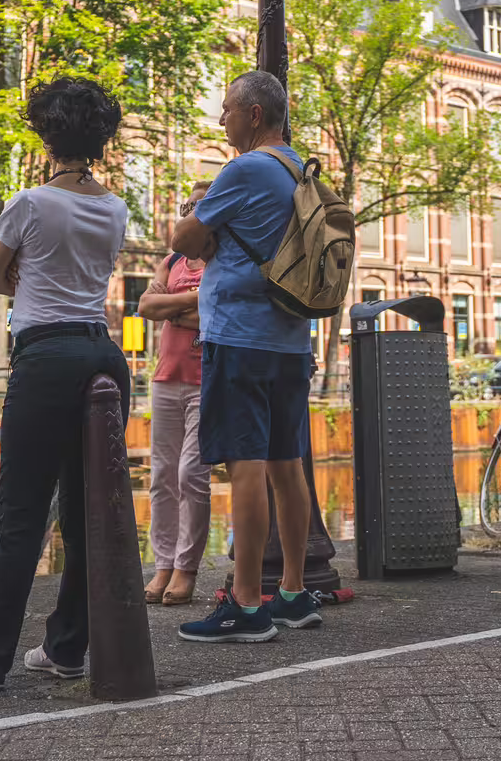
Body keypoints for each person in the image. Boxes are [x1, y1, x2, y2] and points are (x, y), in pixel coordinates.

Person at [0, 77, 132, 690]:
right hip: (102, 351)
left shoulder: (31, 203)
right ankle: (66, 648)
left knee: (21, 515)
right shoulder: (115, 207)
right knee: (90, 510)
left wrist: (24, 276)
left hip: (46, 357)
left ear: (45, 135)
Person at [172, 70, 321, 643]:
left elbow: (184, 240)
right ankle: (291, 592)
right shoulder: (296, 168)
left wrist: (202, 222)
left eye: (228, 110)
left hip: (239, 338)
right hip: (289, 342)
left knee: (246, 467)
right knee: (288, 466)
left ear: (254, 115)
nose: (221, 120)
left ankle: (245, 603)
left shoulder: (245, 168)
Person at [136, 180, 213, 606]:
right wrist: (192, 307)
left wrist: (177, 308)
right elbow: (147, 308)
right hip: (166, 378)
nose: (193, 212)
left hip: (206, 380)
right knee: (162, 477)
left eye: (202, 205)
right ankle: (162, 564)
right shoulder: (172, 260)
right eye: (189, 205)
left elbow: (217, 310)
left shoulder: (222, 260)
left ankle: (186, 568)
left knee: (192, 475)